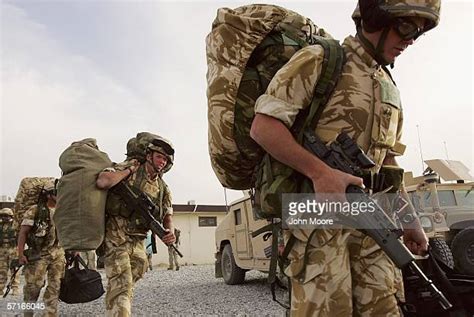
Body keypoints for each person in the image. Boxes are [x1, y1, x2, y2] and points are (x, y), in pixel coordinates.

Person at [249, 0, 440, 315]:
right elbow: (263, 127)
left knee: (387, 309)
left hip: (375, 219)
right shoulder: (322, 59)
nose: (411, 40)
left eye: (418, 32)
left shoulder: (389, 87)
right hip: (316, 216)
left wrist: (409, 220)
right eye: (406, 27)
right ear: (376, 18)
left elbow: (388, 164)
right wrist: (320, 173)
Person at [96, 134, 176, 317]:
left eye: (165, 159)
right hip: (116, 235)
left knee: (135, 274)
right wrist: (129, 171)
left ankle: (116, 303)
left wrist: (169, 233)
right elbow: (103, 181)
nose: (162, 161)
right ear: (148, 156)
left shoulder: (163, 188)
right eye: (159, 157)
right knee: (123, 285)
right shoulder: (131, 168)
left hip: (138, 240)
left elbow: (168, 217)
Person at [17, 180, 65, 317]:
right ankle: (28, 313)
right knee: (34, 287)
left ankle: (50, 314)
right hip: (39, 254)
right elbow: (23, 232)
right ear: (48, 195)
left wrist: (73, 250)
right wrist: (20, 254)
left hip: (58, 253)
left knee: (55, 286)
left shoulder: (62, 210)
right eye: (56, 193)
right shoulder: (35, 210)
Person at [0, 207, 20, 296]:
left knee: (14, 269)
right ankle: (0, 288)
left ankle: (15, 288)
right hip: (2, 250)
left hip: (13, 249)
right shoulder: (0, 226)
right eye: (2, 215)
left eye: (6, 215)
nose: (4, 217)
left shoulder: (15, 225)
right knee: (2, 270)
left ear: (10, 216)